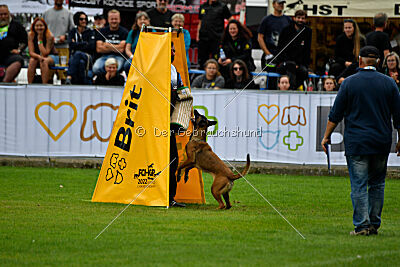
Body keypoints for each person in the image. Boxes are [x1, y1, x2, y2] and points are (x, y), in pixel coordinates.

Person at [321, 46, 400, 236]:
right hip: (381, 141)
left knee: (358, 184)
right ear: (379, 62)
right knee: (377, 184)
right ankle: (373, 224)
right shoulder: (389, 83)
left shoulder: (349, 83)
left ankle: (362, 226)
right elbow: (398, 116)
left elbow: (335, 114)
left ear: (359, 60)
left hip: (357, 142)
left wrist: (326, 136)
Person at [276, 10, 312, 90]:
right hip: (285, 62)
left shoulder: (308, 31)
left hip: (299, 64)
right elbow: (280, 49)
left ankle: (296, 89)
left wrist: (300, 65)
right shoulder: (286, 30)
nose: (300, 20)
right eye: (298, 18)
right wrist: (287, 62)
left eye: (302, 18)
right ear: (294, 18)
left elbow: (307, 51)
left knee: (303, 71)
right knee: (291, 66)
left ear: (305, 20)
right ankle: (290, 89)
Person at [169, 42, 186, 207]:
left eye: (174, 50)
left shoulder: (174, 70)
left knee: (173, 160)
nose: (174, 52)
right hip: (155, 124)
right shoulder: (153, 69)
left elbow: (182, 95)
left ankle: (169, 198)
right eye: (171, 50)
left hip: (169, 124)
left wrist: (182, 119)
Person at [197, 0, 231, 68]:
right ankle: (202, 76)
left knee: (216, 60)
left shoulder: (222, 6)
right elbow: (200, 22)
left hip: (216, 39)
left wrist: (227, 34)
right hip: (203, 38)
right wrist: (197, 35)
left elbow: (231, 19)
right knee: (202, 60)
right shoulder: (203, 6)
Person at [93, 9, 128, 75]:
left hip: (118, 57)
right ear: (108, 20)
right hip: (104, 57)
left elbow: (121, 50)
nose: (114, 21)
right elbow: (99, 49)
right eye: (112, 19)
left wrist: (107, 45)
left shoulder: (124, 32)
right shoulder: (102, 31)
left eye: (116, 19)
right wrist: (116, 47)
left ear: (119, 20)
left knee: (116, 69)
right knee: (96, 68)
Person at [257, 0, 291, 68]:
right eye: (279, 3)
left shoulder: (288, 20)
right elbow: (260, 37)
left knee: (283, 77)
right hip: (270, 54)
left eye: (282, 3)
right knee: (270, 76)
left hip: (283, 56)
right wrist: (267, 54)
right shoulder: (266, 20)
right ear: (273, 4)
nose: (281, 5)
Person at [65, 12, 96, 85]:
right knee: (80, 63)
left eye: (85, 19)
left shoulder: (91, 32)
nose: (84, 21)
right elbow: (71, 45)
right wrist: (84, 43)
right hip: (75, 58)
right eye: (81, 19)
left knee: (77, 53)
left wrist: (77, 44)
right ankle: (82, 84)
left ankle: (69, 76)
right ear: (77, 20)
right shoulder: (72, 32)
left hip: (88, 57)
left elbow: (91, 46)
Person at [0, 5, 27, 83]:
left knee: (18, 61)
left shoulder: (17, 25)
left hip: (10, 55)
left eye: (5, 14)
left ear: (9, 14)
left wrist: (19, 50)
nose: (3, 17)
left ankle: (4, 84)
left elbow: (24, 41)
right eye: (1, 15)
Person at [27, 18, 57, 84]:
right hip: (37, 55)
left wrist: (40, 40)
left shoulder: (49, 36)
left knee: (44, 61)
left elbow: (45, 53)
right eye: (37, 26)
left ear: (45, 26)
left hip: (51, 56)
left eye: (41, 26)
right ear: (33, 27)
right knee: (32, 61)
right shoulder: (31, 35)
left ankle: (44, 84)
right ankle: (29, 84)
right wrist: (38, 56)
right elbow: (31, 52)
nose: (39, 28)